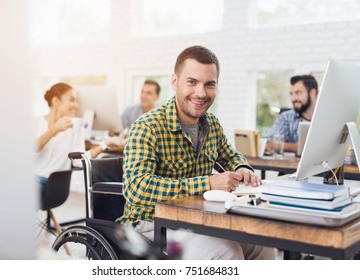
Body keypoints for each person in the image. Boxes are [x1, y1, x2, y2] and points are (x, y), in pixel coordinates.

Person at [116, 46, 275, 260]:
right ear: (174, 82)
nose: (201, 93)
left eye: (209, 84)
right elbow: (137, 189)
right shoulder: (147, 126)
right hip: (149, 224)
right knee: (227, 252)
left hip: (195, 219)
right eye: (192, 82)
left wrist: (242, 167)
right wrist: (208, 183)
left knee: (262, 244)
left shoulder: (211, 124)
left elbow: (230, 156)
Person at [35, 82, 122, 195]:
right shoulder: (35, 122)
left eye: (76, 101)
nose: (76, 106)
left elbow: (79, 162)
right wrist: (54, 129)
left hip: (50, 184)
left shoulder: (75, 128)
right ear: (56, 101)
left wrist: (105, 144)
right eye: (71, 100)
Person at [264, 75, 318, 154]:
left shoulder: (327, 119)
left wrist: (284, 146)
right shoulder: (286, 117)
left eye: (298, 93)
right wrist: (297, 147)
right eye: (291, 94)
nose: (293, 98)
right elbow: (267, 143)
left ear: (312, 93)